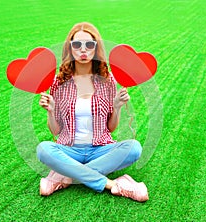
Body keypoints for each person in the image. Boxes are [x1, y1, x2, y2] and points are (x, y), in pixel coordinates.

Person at [36, 22, 149, 202]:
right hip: (69, 149)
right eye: (77, 45)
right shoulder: (59, 81)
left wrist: (117, 106)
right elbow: (56, 132)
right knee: (43, 149)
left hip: (100, 148)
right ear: (70, 48)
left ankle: (65, 176)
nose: (83, 50)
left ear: (96, 48)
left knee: (134, 148)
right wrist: (50, 110)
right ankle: (116, 184)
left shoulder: (107, 80)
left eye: (89, 45)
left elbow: (110, 128)